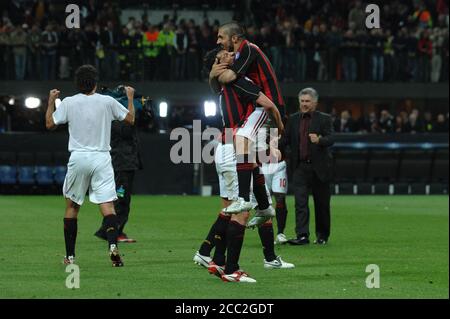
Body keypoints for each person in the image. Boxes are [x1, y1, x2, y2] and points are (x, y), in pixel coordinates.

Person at [193, 49, 293, 283]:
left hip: (236, 147)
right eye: (225, 53)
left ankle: (216, 259)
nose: (232, 54)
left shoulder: (224, 85)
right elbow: (268, 105)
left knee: (253, 205)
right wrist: (280, 127)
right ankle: (231, 269)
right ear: (219, 64)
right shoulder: (238, 81)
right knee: (241, 211)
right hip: (234, 149)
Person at [45, 64, 135, 266]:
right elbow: (130, 119)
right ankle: (112, 246)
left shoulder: (68, 102)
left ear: (77, 83)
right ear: (95, 82)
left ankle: (70, 257)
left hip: (78, 158)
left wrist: (51, 101)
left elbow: (49, 124)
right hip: (101, 158)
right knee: (108, 206)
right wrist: (129, 97)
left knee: (72, 207)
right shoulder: (107, 101)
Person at [282, 88, 334, 245]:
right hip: (300, 168)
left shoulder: (324, 119)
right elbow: (285, 139)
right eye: (302, 101)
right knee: (300, 203)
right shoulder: (293, 119)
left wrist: (319, 140)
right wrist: (272, 146)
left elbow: (331, 138)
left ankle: (322, 236)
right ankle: (302, 236)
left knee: (322, 204)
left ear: (315, 103)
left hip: (320, 168)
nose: (304, 104)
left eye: (307, 101)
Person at [94, 86, 144, 243]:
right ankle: (113, 231)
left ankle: (107, 230)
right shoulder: (117, 120)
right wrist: (130, 99)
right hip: (122, 164)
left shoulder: (109, 117)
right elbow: (129, 126)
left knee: (119, 198)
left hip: (122, 163)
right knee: (120, 199)